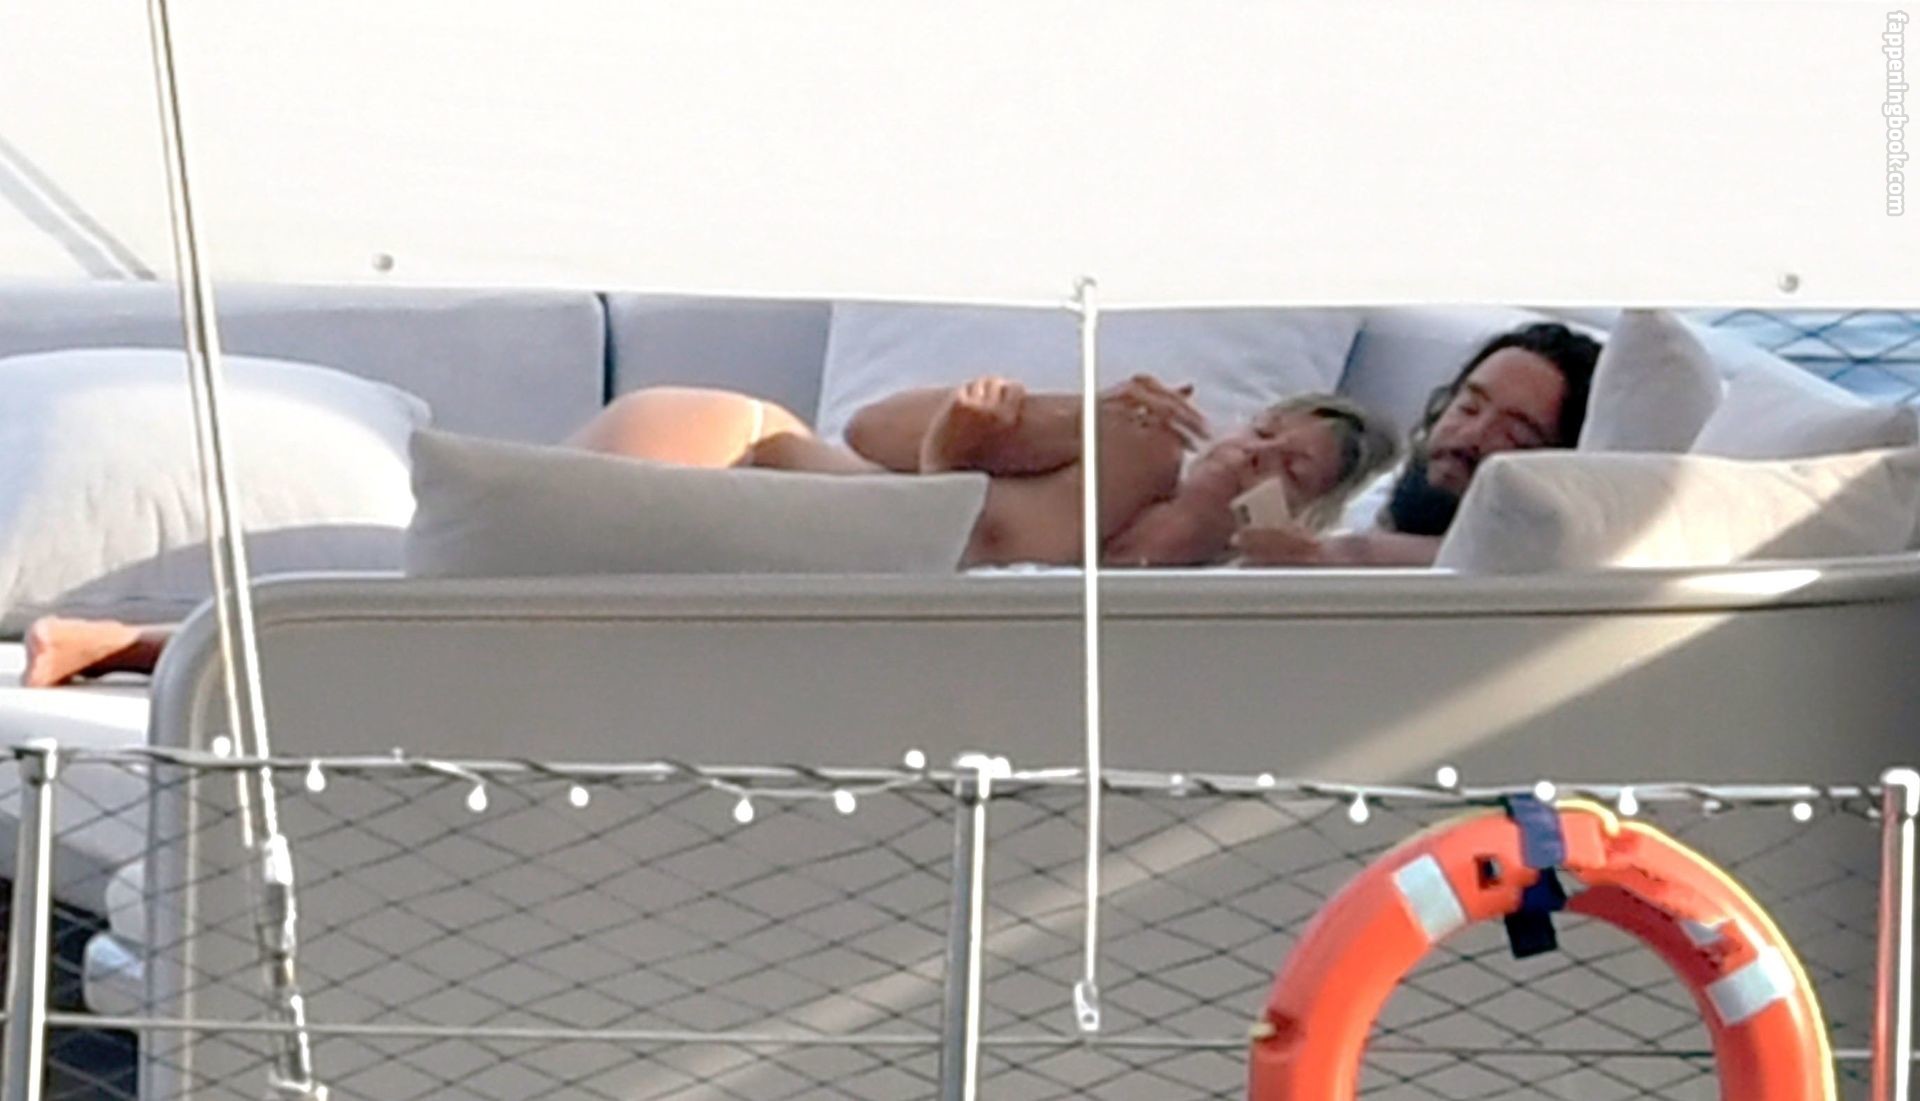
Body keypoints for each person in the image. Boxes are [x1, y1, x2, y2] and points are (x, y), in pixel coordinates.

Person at [22, 375, 1398, 686]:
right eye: (1275, 425)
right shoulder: (1132, 431)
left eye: (1303, 464)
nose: (1266, 452)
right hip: (734, 450)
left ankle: (145, 644)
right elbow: (890, 442)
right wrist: (1024, 417)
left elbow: (987, 556)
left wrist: (1250, 524)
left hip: (802, 542)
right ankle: (140, 642)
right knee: (464, 593)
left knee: (478, 613)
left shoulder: (1221, 566)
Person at [1234, 322, 1599, 567]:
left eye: (1515, 436)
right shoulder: (1375, 493)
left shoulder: (1534, 568)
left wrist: (1331, 556)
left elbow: (1492, 558)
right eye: (1468, 407)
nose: (1471, 436)